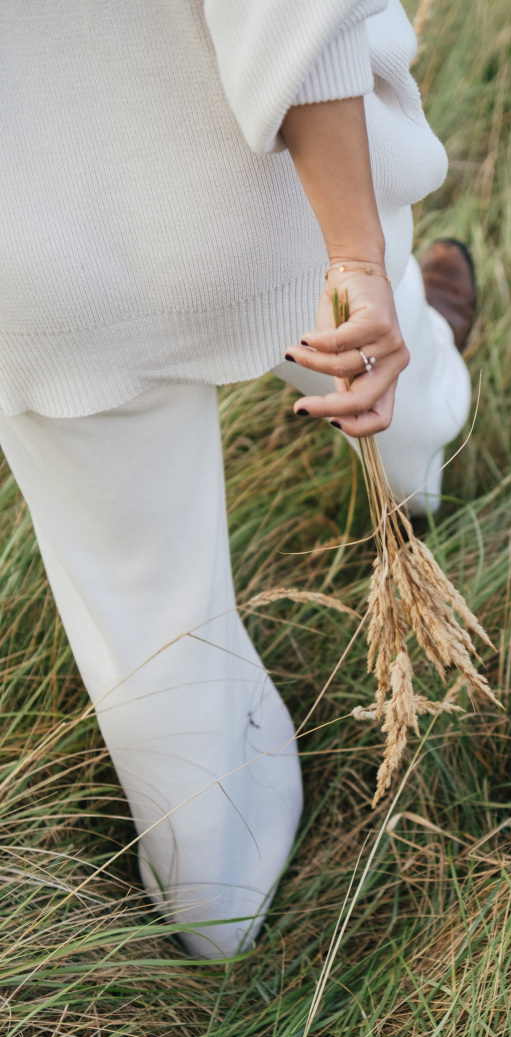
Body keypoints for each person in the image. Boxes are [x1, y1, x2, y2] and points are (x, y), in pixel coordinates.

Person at [0, 0, 477, 958]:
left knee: (149, 609)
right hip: (260, 190)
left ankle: (216, 910)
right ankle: (413, 478)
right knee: (375, 347)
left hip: (35, 264)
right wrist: (356, 256)